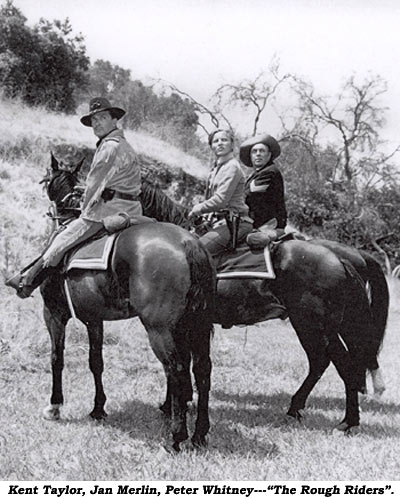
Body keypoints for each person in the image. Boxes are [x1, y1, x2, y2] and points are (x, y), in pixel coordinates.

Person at [6, 97, 142, 298]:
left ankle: (27, 282)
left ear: (115, 120)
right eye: (93, 120)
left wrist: (83, 208)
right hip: (132, 210)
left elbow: (96, 184)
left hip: (108, 210)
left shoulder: (108, 146)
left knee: (59, 242)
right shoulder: (125, 145)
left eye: (102, 118)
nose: (96, 123)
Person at [188, 129, 253, 257]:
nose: (220, 143)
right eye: (215, 141)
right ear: (212, 146)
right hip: (217, 223)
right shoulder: (216, 169)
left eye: (224, 140)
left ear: (232, 144)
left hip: (234, 224)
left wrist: (198, 209)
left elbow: (220, 201)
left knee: (196, 252)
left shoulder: (232, 167)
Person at [240, 133, 287, 246]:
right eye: (254, 151)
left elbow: (249, 196)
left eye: (262, 151)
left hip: (269, 224)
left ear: (269, 155)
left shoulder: (270, 172)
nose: (258, 154)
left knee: (251, 240)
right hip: (258, 222)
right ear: (250, 157)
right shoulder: (255, 174)